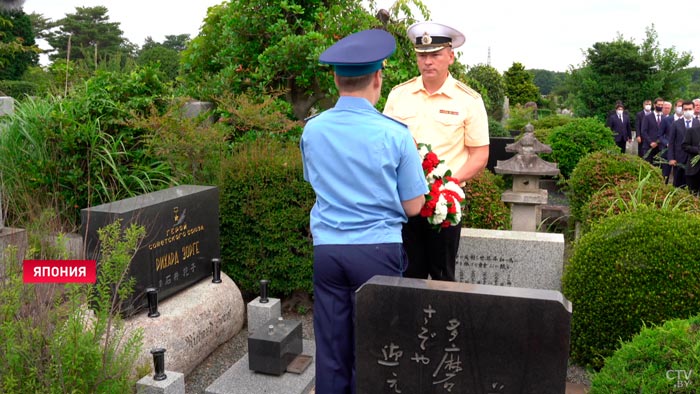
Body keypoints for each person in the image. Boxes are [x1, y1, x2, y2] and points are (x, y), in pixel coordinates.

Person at [300, 29, 428, 394]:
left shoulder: (313, 130)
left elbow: (315, 182)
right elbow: (414, 205)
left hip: (328, 250)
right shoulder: (396, 134)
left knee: (330, 347)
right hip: (377, 251)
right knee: (376, 348)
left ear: (337, 80)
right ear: (377, 78)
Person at [383, 21, 489, 281]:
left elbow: (479, 154)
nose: (428, 61)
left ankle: (443, 323)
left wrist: (447, 186)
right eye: (422, 55)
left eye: (435, 55)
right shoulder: (399, 95)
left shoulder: (468, 100)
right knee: (407, 277)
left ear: (450, 56)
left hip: (445, 207)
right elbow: (384, 146)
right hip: (405, 204)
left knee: (443, 278)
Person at [668, 100, 697, 188]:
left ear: (694, 109)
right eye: (685, 109)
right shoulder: (676, 124)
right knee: (678, 184)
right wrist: (671, 158)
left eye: (690, 109)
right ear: (683, 110)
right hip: (679, 159)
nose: (688, 111)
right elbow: (671, 142)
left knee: (693, 184)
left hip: (694, 159)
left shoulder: (698, 123)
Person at [640, 97, 665, 165]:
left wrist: (660, 141)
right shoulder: (647, 117)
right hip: (648, 146)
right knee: (647, 166)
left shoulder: (664, 118)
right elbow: (643, 131)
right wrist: (651, 142)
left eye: (661, 105)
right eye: (659, 105)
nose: (660, 106)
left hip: (660, 147)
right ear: (654, 105)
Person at [682, 122, 700, 195]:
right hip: (693, 170)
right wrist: (698, 150)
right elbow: (684, 146)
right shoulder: (692, 131)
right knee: (692, 195)